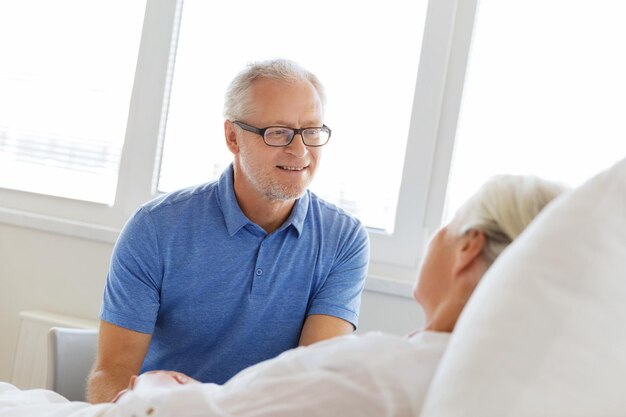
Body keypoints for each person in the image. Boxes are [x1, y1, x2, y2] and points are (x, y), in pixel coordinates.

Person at [106, 175, 568, 416]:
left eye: (446, 224)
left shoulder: (378, 368)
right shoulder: (503, 378)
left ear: (467, 249)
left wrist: (156, 385)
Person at [87, 58, 370, 403]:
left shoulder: (344, 239)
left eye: (311, 131)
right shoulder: (156, 228)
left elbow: (309, 382)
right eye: (278, 132)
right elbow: (112, 373)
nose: (300, 151)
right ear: (233, 137)